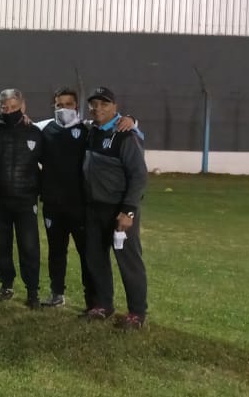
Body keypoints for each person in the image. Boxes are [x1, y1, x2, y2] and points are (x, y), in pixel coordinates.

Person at [34, 87, 139, 308]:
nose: (64, 108)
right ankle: (57, 293)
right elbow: (26, 130)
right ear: (54, 106)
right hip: (52, 204)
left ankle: (94, 301)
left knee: (89, 255)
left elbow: (121, 128)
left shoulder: (87, 129)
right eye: (59, 104)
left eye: (68, 104)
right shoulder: (44, 129)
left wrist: (132, 120)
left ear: (77, 106)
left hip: (81, 204)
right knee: (56, 251)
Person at [82, 87, 149, 329]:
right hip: (94, 208)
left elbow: (139, 176)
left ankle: (137, 313)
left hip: (119, 210)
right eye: (94, 104)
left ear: (115, 107)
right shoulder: (91, 131)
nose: (98, 108)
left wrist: (128, 210)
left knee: (128, 261)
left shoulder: (125, 134)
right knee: (96, 259)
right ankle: (103, 305)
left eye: (104, 104)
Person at [0, 89, 45, 309]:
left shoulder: (35, 132)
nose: (9, 112)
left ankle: (32, 291)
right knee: (1, 246)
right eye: (5, 108)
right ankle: (6, 285)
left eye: (14, 108)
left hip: (26, 201)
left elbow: (49, 164)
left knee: (29, 247)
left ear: (23, 106)